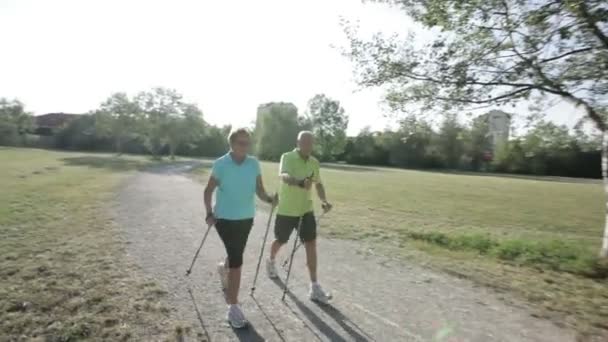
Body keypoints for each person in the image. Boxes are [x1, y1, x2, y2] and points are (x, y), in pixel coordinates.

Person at [204, 127, 277, 328]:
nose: (245, 146)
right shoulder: (221, 164)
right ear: (232, 144)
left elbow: (260, 191)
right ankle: (233, 307)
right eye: (241, 143)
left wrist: (270, 198)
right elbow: (208, 191)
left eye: (248, 143)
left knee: (234, 254)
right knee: (237, 260)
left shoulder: (253, 164)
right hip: (224, 219)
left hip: (246, 218)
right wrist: (209, 213)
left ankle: (223, 268)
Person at [266, 131, 333, 304]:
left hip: (306, 210)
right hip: (287, 210)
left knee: (311, 244)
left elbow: (318, 184)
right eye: (305, 142)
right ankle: (271, 260)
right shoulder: (287, 157)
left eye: (311, 143)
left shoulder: (314, 162)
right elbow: (284, 176)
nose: (308, 146)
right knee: (280, 240)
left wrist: (324, 201)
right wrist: (300, 182)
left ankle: (314, 286)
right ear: (298, 142)